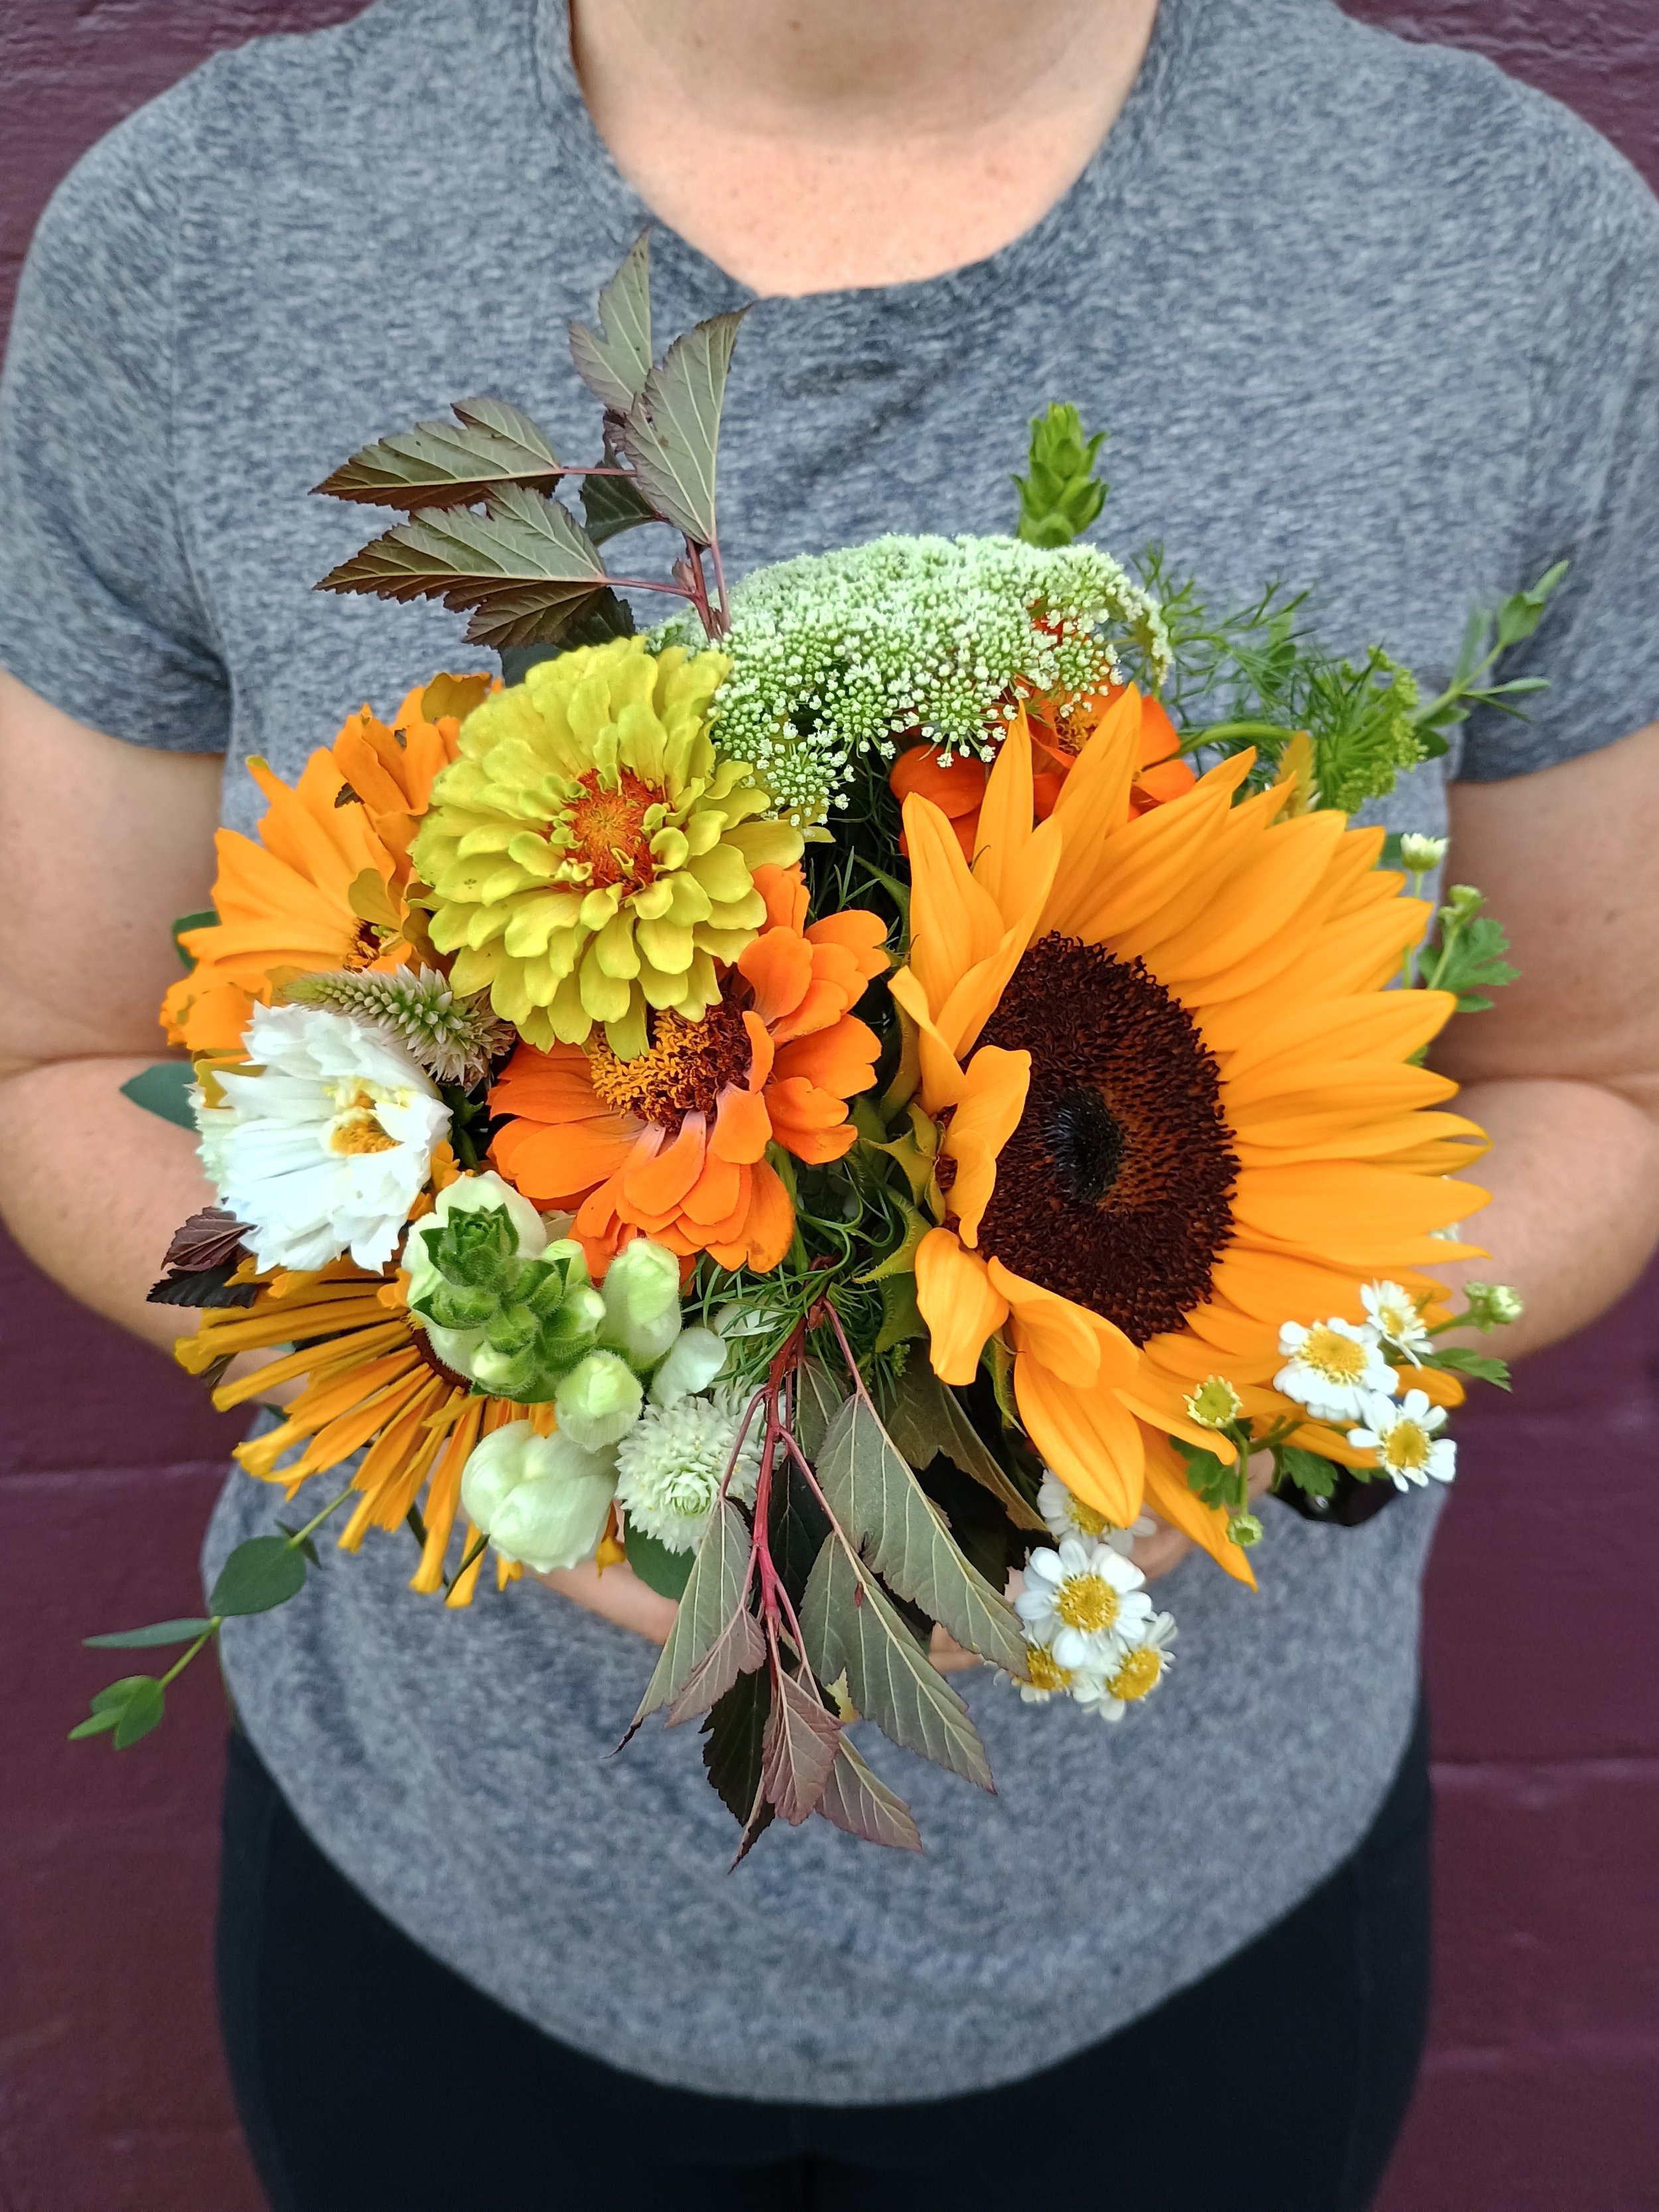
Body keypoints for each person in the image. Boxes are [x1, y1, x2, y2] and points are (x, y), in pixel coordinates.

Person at [1, 0, 1656, 2203]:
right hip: (455, 1911)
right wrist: (495, 1398)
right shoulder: (220, 229)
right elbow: (50, 1060)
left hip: (1195, 1929)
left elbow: (1595, 1078)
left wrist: (1202, 1389)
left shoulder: (1507, 248)